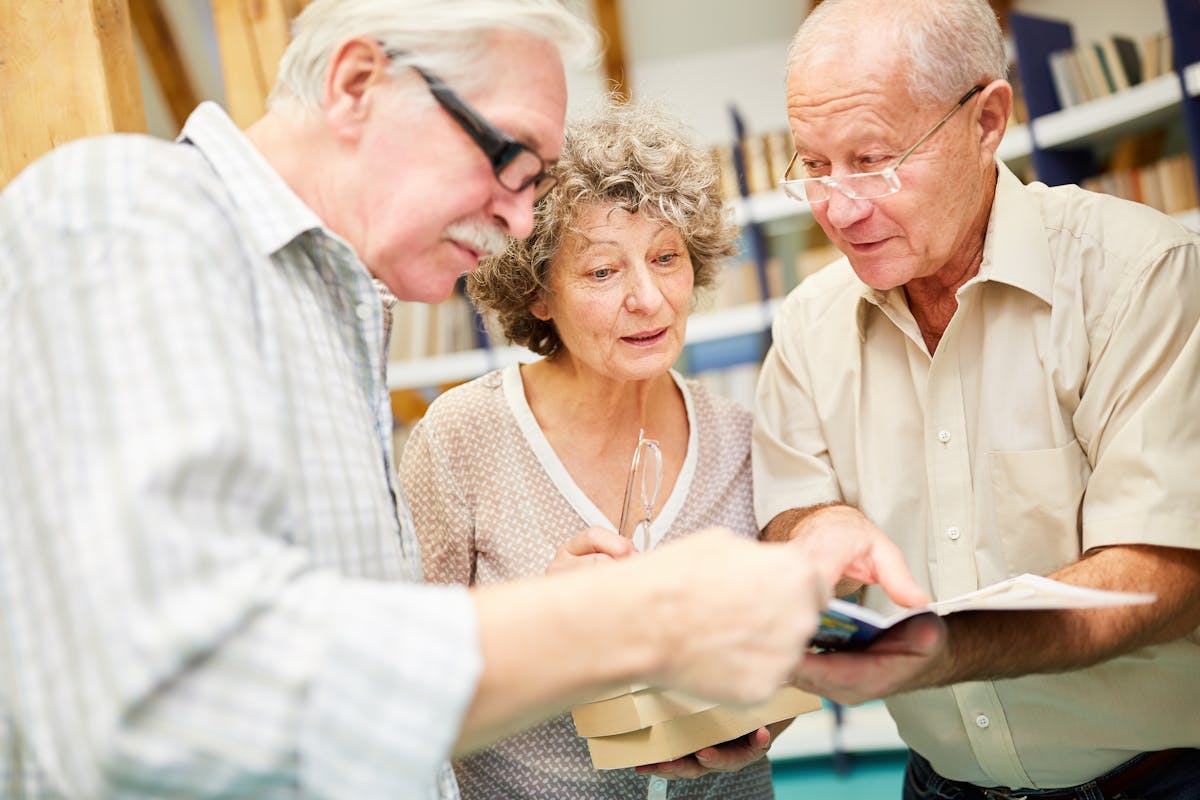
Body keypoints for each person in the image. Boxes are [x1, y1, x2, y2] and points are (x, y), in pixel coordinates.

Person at [0, 2, 911, 797]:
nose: (520, 220)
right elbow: (164, 701)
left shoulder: (336, 312)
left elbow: (360, 661)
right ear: (359, 81)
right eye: (511, 157)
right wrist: (633, 618)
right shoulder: (128, 215)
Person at [754, 0, 1200, 798]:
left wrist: (950, 645)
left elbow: (1165, 576)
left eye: (875, 158)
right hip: (938, 784)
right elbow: (793, 517)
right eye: (813, 165)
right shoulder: (808, 325)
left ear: (987, 120)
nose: (840, 208)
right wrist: (816, 527)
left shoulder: (1145, 276)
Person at [402, 98, 789, 799]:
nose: (648, 298)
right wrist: (543, 627)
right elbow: (404, 678)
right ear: (537, 291)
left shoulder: (739, 436)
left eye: (666, 258)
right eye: (604, 271)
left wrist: (754, 720)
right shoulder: (460, 437)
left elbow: (781, 660)